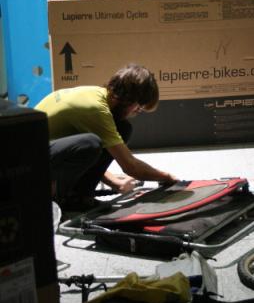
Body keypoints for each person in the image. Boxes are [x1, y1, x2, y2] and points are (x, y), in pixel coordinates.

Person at [36, 64, 176, 212]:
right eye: (138, 107)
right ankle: (59, 200)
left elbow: (79, 155)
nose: (135, 113)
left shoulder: (98, 94)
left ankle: (80, 197)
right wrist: (166, 177)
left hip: (46, 152)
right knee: (92, 143)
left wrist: (115, 183)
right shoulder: (95, 110)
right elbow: (130, 166)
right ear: (129, 99)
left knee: (121, 128)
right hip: (29, 164)